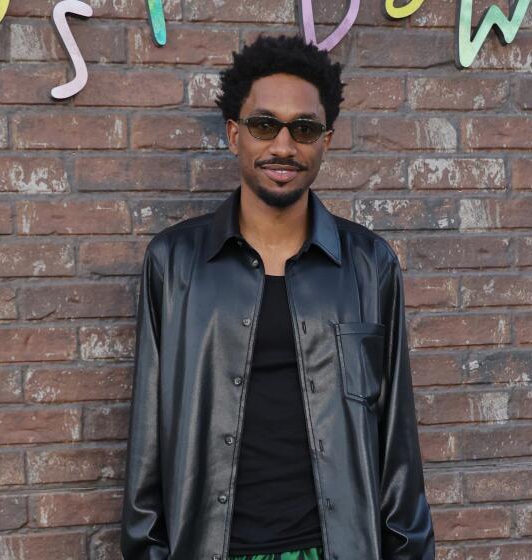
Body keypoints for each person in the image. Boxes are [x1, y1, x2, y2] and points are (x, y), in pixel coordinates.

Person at [120, 34, 435, 560]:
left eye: (304, 128)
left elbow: (395, 439)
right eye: (264, 125)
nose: (284, 147)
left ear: (326, 140)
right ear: (233, 134)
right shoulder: (173, 264)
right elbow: (148, 441)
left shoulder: (368, 265)